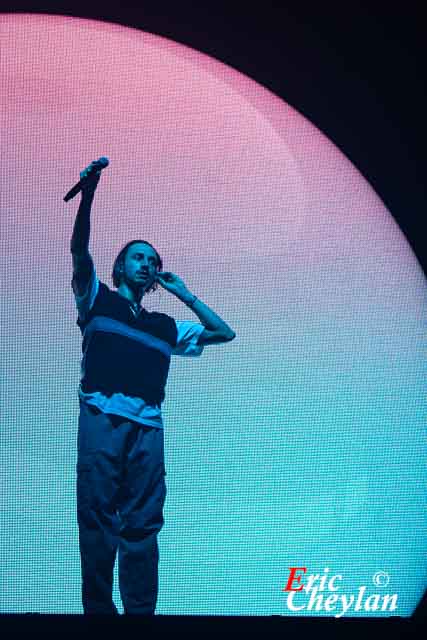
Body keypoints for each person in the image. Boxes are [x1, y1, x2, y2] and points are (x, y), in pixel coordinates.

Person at [70, 161, 236, 615]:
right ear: (121, 265)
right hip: (103, 418)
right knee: (100, 519)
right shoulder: (97, 299)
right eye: (139, 257)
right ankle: (100, 618)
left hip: (148, 428)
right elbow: (79, 254)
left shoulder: (164, 326)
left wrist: (184, 293)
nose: (147, 264)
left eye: (153, 261)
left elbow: (224, 334)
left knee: (143, 524)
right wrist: (87, 198)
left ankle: (141, 618)